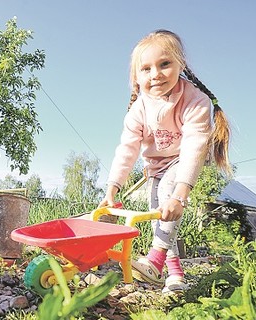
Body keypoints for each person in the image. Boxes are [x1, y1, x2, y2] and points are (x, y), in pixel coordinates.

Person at [98, 29, 231, 294]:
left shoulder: (195, 100)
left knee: (169, 201)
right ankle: (175, 275)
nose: (156, 74)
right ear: (136, 77)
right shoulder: (139, 109)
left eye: (165, 64)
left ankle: (155, 261)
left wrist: (181, 194)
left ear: (181, 64)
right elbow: (128, 148)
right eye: (145, 69)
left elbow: (194, 146)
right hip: (155, 167)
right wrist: (113, 186)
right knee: (160, 219)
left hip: (182, 163)